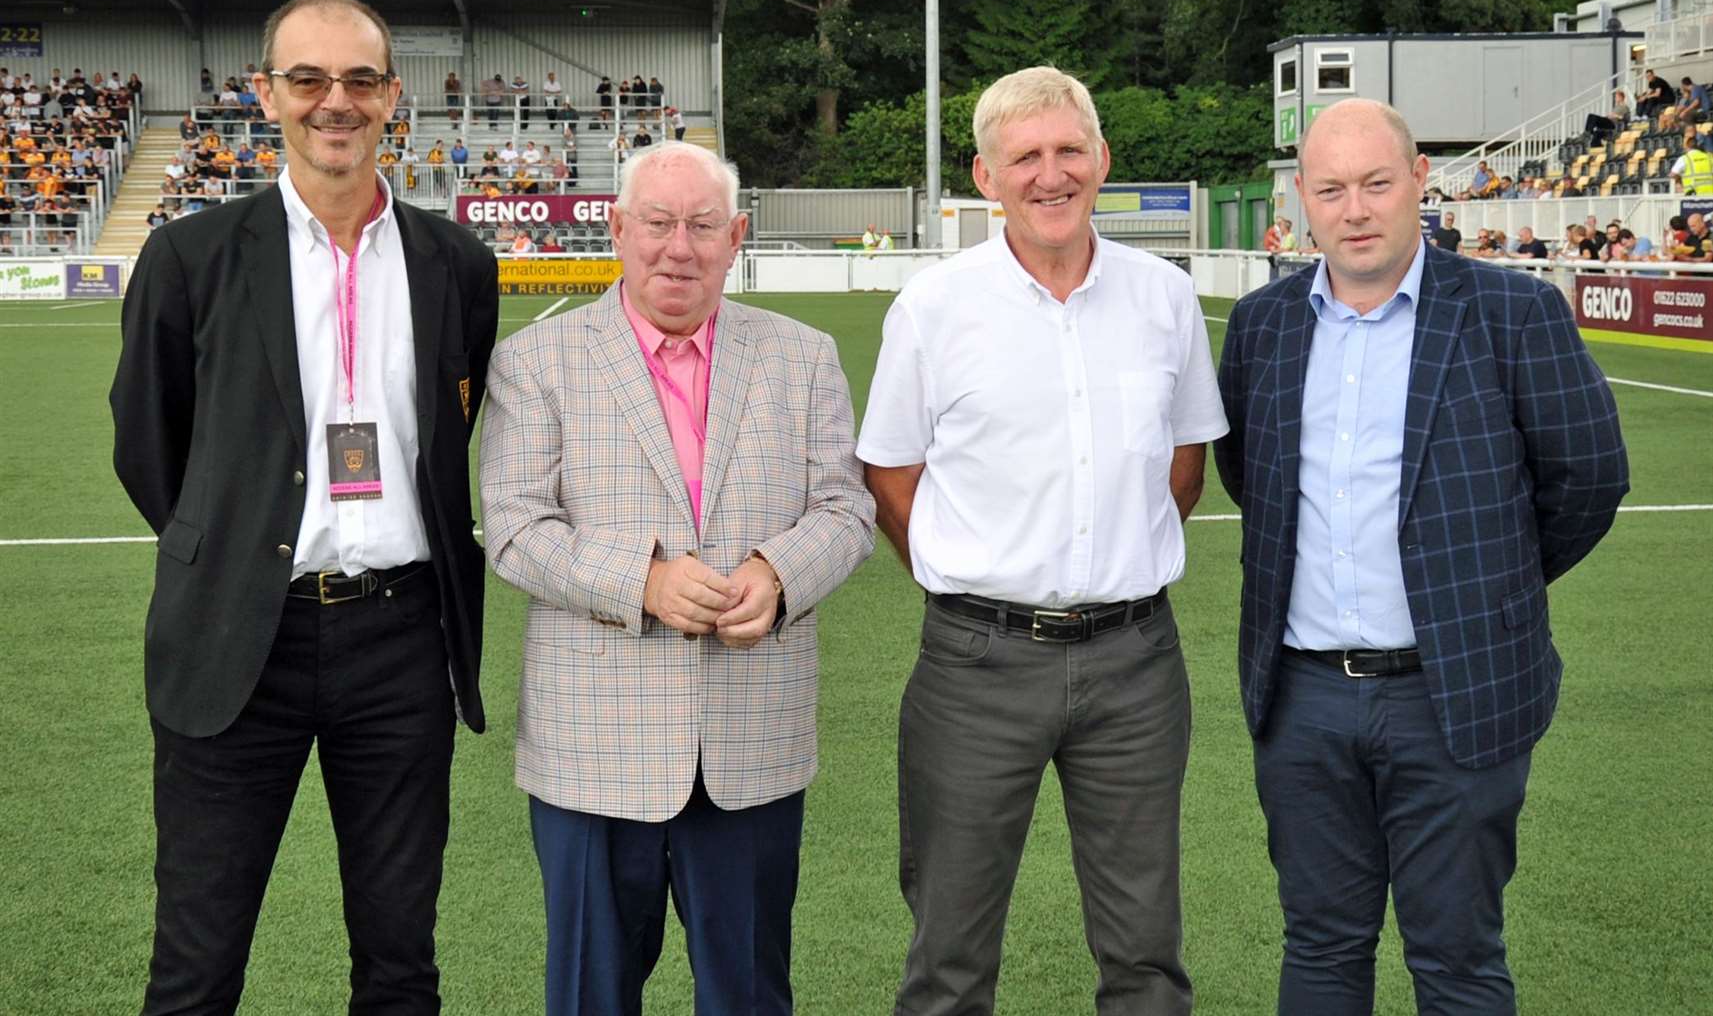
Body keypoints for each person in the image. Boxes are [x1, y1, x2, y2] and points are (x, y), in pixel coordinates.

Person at [109, 0, 500, 1015]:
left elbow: (453, 426)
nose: (337, 101)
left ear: (392, 98)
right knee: (195, 968)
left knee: (401, 963)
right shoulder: (190, 258)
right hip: (239, 638)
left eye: (360, 80)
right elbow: (152, 448)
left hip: (403, 641)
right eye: (309, 79)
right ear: (266, 94)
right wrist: (236, 548)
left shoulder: (455, 262)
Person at [1213, 98, 1628, 1016]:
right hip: (1304, 698)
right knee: (1319, 949)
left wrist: (1480, 587)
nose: (1353, 209)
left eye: (1373, 184)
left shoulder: (1513, 311)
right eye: (1330, 189)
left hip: (1457, 696)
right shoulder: (1262, 326)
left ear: (1417, 185)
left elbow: (1588, 479)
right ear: (1304, 201)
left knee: (1456, 961)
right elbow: (1253, 478)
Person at [858, 67, 1225, 1016]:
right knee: (949, 954)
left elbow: (1181, 470)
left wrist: (1109, 569)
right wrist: (972, 587)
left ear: (1100, 160)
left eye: (1068, 151)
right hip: (974, 666)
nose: (1049, 174)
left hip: (1137, 664)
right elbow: (890, 478)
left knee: (1145, 954)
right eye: (1025, 157)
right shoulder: (933, 309)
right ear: (986, 176)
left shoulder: (1163, 298)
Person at [479, 139, 875, 1015]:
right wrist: (645, 582)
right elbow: (512, 527)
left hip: (750, 744)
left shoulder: (802, 355)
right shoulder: (536, 361)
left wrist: (777, 573)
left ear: (735, 237)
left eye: (701, 225)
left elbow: (846, 508)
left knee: (748, 993)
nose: (677, 247)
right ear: (617, 230)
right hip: (593, 749)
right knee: (590, 996)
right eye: (656, 223)